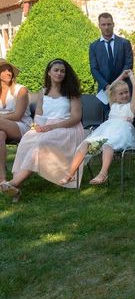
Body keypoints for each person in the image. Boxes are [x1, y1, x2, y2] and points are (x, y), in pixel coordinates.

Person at [0, 59, 84, 201]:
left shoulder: (71, 93)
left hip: (67, 127)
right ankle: (15, 188)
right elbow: (39, 114)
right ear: (49, 73)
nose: (59, 73)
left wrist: (53, 126)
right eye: (56, 70)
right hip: (45, 127)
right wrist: (37, 126)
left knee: (41, 143)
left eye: (62, 71)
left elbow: (76, 118)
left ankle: (13, 183)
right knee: (26, 140)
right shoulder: (43, 92)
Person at [60, 70, 135, 186]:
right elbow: (109, 89)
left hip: (122, 133)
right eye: (121, 94)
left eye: (126, 92)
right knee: (85, 144)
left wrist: (131, 76)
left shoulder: (131, 107)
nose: (124, 95)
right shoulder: (114, 105)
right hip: (106, 131)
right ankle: (70, 174)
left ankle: (103, 173)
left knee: (108, 145)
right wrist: (121, 76)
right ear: (114, 97)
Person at [89, 13, 134, 109]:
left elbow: (128, 65)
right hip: (105, 90)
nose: (106, 27)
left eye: (109, 24)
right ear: (99, 26)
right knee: (107, 118)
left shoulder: (124, 43)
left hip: (123, 89)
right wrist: (106, 86)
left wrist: (116, 84)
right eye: (103, 24)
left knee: (126, 117)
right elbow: (94, 69)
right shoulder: (94, 47)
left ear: (113, 24)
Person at [0, 59, 33, 181]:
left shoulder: (21, 90)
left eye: (9, 70)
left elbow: (17, 115)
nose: (8, 73)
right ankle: (2, 178)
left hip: (23, 126)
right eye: (4, 70)